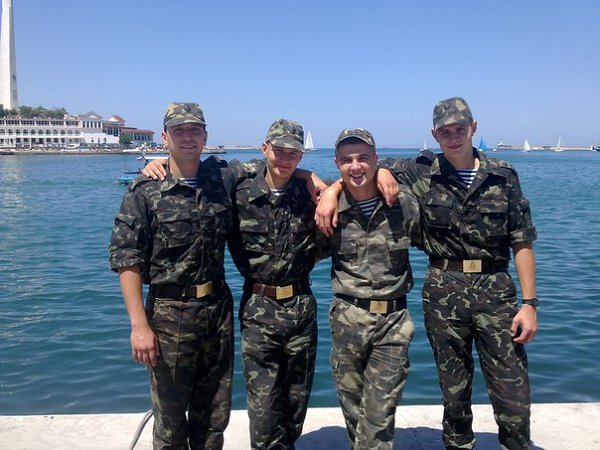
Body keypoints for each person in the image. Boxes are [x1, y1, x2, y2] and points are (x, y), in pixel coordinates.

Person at [317, 98, 538, 450]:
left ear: (473, 128)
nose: (453, 137)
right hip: (443, 289)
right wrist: (333, 190)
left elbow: (521, 240)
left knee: (512, 388)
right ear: (434, 134)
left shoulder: (503, 174)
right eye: (445, 132)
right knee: (454, 389)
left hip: (496, 289)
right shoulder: (421, 170)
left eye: (460, 129)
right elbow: (360, 171)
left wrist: (529, 303)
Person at [109, 103, 257, 450]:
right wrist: (138, 326)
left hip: (217, 312)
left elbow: (276, 166)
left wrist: (315, 181)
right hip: (168, 314)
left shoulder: (222, 179)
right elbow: (127, 260)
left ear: (205, 136)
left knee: (214, 416)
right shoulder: (145, 190)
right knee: (171, 422)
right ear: (165, 137)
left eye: (195, 130)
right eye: (179, 131)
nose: (187, 137)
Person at [227, 119, 325, 450]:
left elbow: (325, 241)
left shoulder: (309, 195)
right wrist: (158, 165)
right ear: (264, 148)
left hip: (301, 305)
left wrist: (313, 178)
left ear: (301, 156)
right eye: (279, 151)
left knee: (296, 400)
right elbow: (204, 171)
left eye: (293, 154)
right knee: (264, 406)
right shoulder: (240, 191)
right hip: (258, 308)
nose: (285, 159)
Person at [324, 128, 420, 449]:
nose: (356, 166)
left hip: (393, 323)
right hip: (347, 320)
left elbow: (429, 162)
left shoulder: (403, 203)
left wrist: (387, 170)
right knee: (353, 413)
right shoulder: (330, 206)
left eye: (363, 158)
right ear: (337, 164)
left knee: (378, 418)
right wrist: (331, 190)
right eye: (347, 160)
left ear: (376, 159)